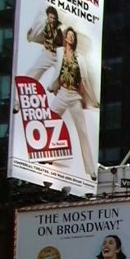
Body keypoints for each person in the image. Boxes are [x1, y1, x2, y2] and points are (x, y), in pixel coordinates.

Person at [48, 26, 99, 179]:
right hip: (62, 93)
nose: (70, 38)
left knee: (82, 131)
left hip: (74, 96)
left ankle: (91, 170)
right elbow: (56, 70)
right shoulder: (58, 52)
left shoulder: (80, 58)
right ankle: (48, 155)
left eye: (73, 36)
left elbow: (84, 81)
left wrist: (89, 99)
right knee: (49, 120)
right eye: (68, 35)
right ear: (65, 37)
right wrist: (53, 86)